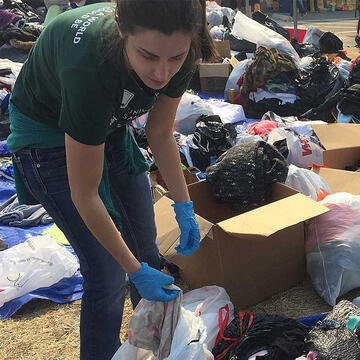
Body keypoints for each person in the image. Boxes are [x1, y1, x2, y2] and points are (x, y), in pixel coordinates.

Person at [7, 0, 217, 359]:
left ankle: (153, 347)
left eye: (175, 59)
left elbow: (161, 132)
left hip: (110, 125)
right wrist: (132, 270)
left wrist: (184, 205)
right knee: (106, 273)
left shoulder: (180, 47)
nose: (161, 73)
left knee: (145, 247)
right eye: (148, 56)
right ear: (121, 28)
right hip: (47, 135)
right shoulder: (89, 66)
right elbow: (85, 194)